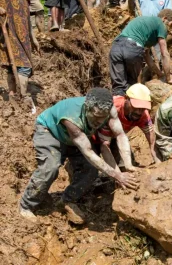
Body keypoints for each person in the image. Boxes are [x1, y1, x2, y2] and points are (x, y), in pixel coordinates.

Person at [19, 88, 140, 224]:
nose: (98, 121)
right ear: (87, 108)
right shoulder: (72, 118)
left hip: (75, 139)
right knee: (50, 168)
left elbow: (120, 134)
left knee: (90, 171)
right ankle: (27, 205)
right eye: (95, 116)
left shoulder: (109, 109)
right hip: (51, 132)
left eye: (102, 117)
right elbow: (88, 151)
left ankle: (66, 200)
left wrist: (128, 164)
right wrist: (117, 175)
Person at [109, 9, 172, 96]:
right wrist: (168, 78)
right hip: (132, 49)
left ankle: (118, 106)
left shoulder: (146, 25)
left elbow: (147, 57)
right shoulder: (160, 24)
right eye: (171, 25)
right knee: (133, 86)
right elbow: (164, 53)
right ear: (164, 19)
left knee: (118, 88)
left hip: (116, 47)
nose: (170, 29)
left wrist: (160, 74)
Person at [93, 83, 161, 165]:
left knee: (125, 165)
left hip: (115, 137)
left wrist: (158, 161)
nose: (138, 112)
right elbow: (105, 145)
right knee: (91, 169)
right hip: (92, 135)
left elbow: (151, 139)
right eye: (136, 106)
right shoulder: (112, 108)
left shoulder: (143, 115)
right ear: (126, 99)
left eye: (142, 108)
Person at [0, 0, 36, 111]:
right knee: (21, 65)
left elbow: (26, 12)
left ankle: (13, 95)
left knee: (18, 64)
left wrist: (33, 37)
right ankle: (20, 96)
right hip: (7, 27)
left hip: (22, 31)